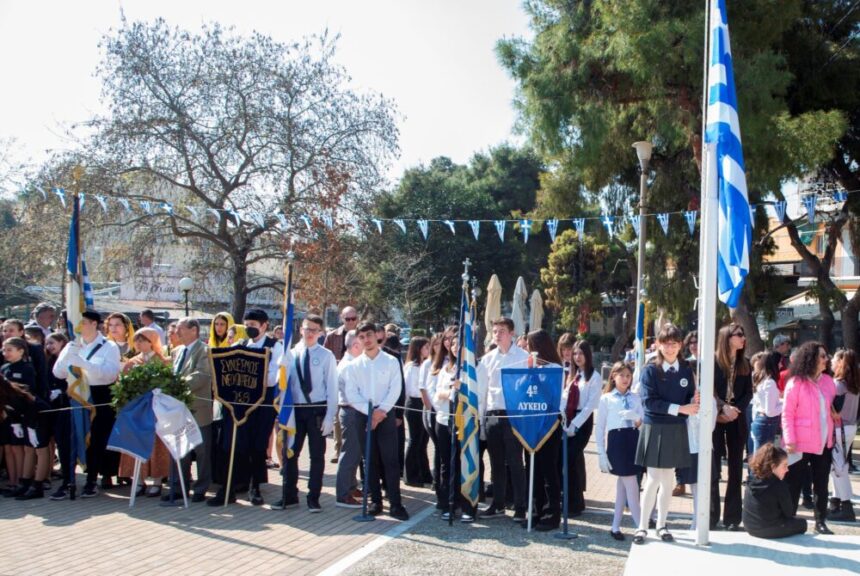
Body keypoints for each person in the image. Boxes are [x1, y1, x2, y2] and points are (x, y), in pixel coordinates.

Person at [209, 309, 283, 506]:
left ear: (264, 326)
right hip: (239, 405)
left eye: (253, 326)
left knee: (257, 446)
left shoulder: (275, 347)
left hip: (262, 404)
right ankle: (229, 488)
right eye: (247, 325)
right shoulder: (240, 345)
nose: (249, 329)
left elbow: (272, 378)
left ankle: (255, 487)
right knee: (234, 445)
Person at [633, 324, 698, 545]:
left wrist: (692, 403)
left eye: (674, 343)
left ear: (680, 345)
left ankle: (661, 524)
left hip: (676, 428)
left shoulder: (687, 370)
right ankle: (642, 526)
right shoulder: (650, 370)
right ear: (659, 345)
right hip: (655, 426)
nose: (670, 348)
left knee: (668, 479)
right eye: (666, 343)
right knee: (652, 479)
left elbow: (690, 396)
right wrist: (680, 409)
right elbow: (649, 403)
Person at [340, 322, 409, 521]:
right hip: (364, 416)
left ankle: (396, 503)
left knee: (390, 460)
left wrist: (381, 412)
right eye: (361, 337)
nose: (366, 340)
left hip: (385, 415)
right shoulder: (353, 366)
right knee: (369, 460)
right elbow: (352, 393)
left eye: (369, 335)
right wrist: (369, 413)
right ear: (357, 340)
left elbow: (395, 388)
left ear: (376, 336)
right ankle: (376, 501)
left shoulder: (391, 361)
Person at [51, 310, 121, 498]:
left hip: (98, 397)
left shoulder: (109, 346)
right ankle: (68, 481)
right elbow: (58, 373)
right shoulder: (72, 345)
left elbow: (110, 374)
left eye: (82, 322)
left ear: (93, 324)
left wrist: (83, 363)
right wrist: (69, 357)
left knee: (95, 441)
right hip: (74, 396)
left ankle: (91, 480)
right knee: (69, 439)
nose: (78, 326)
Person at [277, 314, 338, 512]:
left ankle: (313, 497)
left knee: (317, 456)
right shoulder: (291, 354)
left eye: (314, 330)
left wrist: (330, 416)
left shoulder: (326, 355)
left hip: (316, 410)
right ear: (300, 329)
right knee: (291, 453)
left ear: (321, 333)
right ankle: (289, 495)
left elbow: (331, 387)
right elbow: (284, 386)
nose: (309, 333)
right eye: (306, 329)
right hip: (295, 410)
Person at [782, 341, 836, 534]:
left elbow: (829, 408)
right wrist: (789, 440)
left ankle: (821, 521)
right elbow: (787, 413)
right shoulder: (796, 382)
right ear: (811, 358)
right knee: (793, 483)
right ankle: (788, 519)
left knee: (821, 484)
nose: (826, 359)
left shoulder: (829, 382)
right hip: (799, 443)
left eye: (826, 356)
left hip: (824, 442)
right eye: (822, 356)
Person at [478, 317, 530, 521]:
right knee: (496, 463)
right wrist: (483, 422)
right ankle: (498, 504)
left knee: (516, 463)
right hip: (493, 414)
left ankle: (520, 506)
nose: (497, 334)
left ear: (511, 334)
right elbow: (482, 392)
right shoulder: (488, 359)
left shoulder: (524, 357)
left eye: (501, 331)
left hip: (513, 415)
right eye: (495, 331)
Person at [428, 330, 477, 522]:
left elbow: (477, 396)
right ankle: (448, 502)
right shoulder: (446, 369)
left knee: (465, 463)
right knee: (446, 464)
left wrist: (460, 391)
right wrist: (448, 393)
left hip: (466, 422)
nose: (456, 348)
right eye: (454, 344)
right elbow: (436, 395)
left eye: (461, 345)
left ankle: (468, 506)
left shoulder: (474, 370)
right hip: (444, 419)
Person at [117, 328, 171, 498]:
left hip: (156, 412)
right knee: (137, 443)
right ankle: (138, 480)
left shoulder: (162, 362)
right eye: (137, 340)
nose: (139, 343)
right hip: (137, 412)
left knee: (156, 446)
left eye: (143, 340)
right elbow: (122, 386)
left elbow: (168, 385)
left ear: (152, 341)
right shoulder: (132, 362)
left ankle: (156, 481)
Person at [710, 323, 752, 531]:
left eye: (743, 335)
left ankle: (732, 519)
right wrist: (721, 409)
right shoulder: (713, 361)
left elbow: (748, 393)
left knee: (736, 470)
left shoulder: (745, 364)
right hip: (716, 421)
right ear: (727, 338)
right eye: (739, 334)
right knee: (713, 468)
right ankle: (710, 516)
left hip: (737, 420)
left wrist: (736, 410)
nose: (743, 338)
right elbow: (707, 389)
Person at [596, 361, 643, 540]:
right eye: (621, 375)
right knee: (631, 485)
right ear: (613, 377)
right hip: (617, 442)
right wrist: (601, 452)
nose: (625, 379)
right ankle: (640, 525)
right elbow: (600, 427)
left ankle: (615, 526)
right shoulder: (606, 398)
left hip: (633, 439)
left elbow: (643, 421)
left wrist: (637, 418)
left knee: (623, 487)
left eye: (628, 376)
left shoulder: (635, 398)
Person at [169, 318, 214, 503]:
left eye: (180, 329)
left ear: (194, 330)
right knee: (179, 449)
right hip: (178, 410)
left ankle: (201, 488)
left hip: (198, 409)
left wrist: (175, 386)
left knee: (202, 451)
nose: (176, 332)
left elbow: (202, 375)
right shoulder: (176, 351)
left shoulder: (204, 351)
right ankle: (179, 487)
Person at [525, 329, 563, 531]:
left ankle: (552, 513)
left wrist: (534, 375)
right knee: (534, 470)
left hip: (549, 424)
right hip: (532, 423)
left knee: (548, 469)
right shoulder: (530, 367)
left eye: (530, 347)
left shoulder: (554, 367)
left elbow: (550, 394)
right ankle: (535, 510)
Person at [562, 339, 603, 516]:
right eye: (575, 353)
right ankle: (572, 501)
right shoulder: (573, 375)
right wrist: (564, 419)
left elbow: (590, 406)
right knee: (570, 462)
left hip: (582, 422)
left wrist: (575, 424)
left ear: (588, 355)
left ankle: (575, 504)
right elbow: (564, 398)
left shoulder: (594, 376)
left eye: (581, 353)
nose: (577, 357)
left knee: (571, 459)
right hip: (568, 418)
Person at [0, 370, 51, 499]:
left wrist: (32, 428)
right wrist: (15, 423)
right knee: (28, 449)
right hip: (28, 418)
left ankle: (37, 486)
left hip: (40, 416)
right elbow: (11, 411)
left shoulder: (13, 393)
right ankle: (25, 483)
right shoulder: (4, 394)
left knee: (41, 450)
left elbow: (32, 407)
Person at [742, 443, 806, 539]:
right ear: (773, 466)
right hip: (768, 530)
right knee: (802, 523)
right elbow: (789, 513)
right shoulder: (779, 485)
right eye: (784, 466)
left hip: (749, 526)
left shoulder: (751, 478)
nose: (787, 470)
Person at [1, 337, 36, 494]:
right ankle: (13, 481)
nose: (5, 353)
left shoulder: (27, 368)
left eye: (9, 350)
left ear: (21, 351)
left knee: (21, 448)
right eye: (4, 350)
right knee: (11, 449)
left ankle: (23, 480)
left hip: (22, 414)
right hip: (7, 414)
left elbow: (28, 392)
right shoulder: (4, 368)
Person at [335, 329, 364, 508]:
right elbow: (352, 396)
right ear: (355, 345)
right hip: (351, 411)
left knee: (355, 453)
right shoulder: (348, 365)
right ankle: (343, 494)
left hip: (355, 411)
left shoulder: (353, 362)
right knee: (350, 454)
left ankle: (351, 486)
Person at [829, 348, 858, 521]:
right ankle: (836, 500)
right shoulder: (853, 385)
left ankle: (846, 506)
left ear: (841, 362)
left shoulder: (838, 385)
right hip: (850, 428)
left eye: (834, 359)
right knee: (840, 467)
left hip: (839, 429)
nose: (831, 361)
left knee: (838, 468)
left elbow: (832, 408)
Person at [44, 332, 73, 500]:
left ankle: (69, 478)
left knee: (66, 443)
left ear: (63, 342)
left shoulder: (67, 358)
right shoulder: (48, 361)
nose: (49, 346)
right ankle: (65, 477)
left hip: (67, 405)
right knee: (59, 444)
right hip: (52, 407)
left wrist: (61, 391)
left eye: (52, 342)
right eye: (47, 343)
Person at [403, 336, 431, 487]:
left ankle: (424, 473)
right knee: (414, 440)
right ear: (418, 349)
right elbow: (408, 388)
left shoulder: (425, 365)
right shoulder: (411, 367)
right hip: (414, 403)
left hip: (423, 403)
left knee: (423, 441)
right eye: (426, 347)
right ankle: (410, 475)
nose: (428, 350)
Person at [750, 351, 783, 453]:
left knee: (760, 459)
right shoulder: (770, 382)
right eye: (779, 362)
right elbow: (770, 411)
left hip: (762, 422)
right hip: (766, 423)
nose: (780, 364)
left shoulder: (762, 380)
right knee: (762, 461)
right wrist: (786, 403)